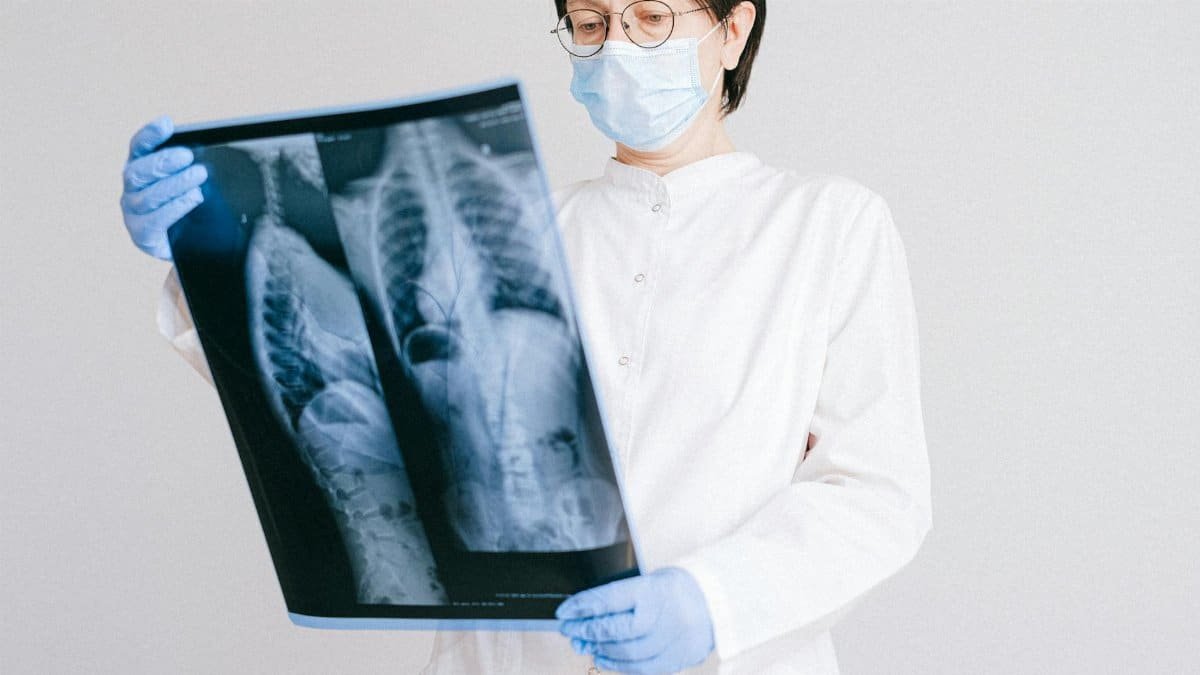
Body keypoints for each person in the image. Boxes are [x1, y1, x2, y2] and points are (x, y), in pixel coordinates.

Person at [120, 1, 932, 672]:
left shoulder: (826, 225)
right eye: (590, 24)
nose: (617, 49)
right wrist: (204, 252)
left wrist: (713, 599)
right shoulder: (527, 222)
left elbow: (874, 491)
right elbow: (353, 407)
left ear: (733, 30)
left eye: (650, 18)